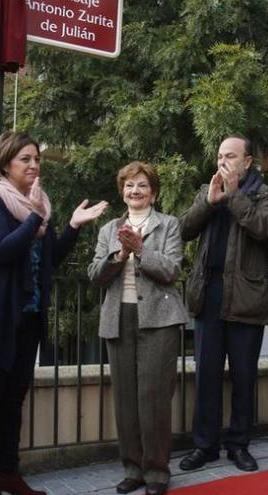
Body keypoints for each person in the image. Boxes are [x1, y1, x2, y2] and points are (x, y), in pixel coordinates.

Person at [0, 132, 107, 495]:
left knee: (13, 401)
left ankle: (8, 473)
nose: (34, 165)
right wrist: (33, 221)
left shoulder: (38, 205)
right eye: (25, 159)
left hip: (28, 319)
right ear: (4, 163)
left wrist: (72, 226)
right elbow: (2, 250)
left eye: (36, 159)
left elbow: (50, 259)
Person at [178, 136, 268, 472]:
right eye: (220, 155)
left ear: (248, 161)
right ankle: (204, 446)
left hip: (246, 296)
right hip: (209, 295)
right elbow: (184, 229)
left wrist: (234, 195)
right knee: (206, 375)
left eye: (231, 156)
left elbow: (265, 229)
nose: (223, 161)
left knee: (243, 376)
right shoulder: (210, 189)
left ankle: (238, 445)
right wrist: (209, 202)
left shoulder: (264, 193)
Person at [89, 162, 188, 495]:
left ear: (154, 192)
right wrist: (119, 254)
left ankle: (157, 473)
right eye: (129, 185)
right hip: (118, 318)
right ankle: (132, 469)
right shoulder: (108, 229)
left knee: (154, 399)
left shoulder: (169, 225)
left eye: (142, 185)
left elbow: (172, 269)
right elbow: (95, 274)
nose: (135, 191)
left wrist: (141, 249)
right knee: (126, 400)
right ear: (122, 191)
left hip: (159, 319)